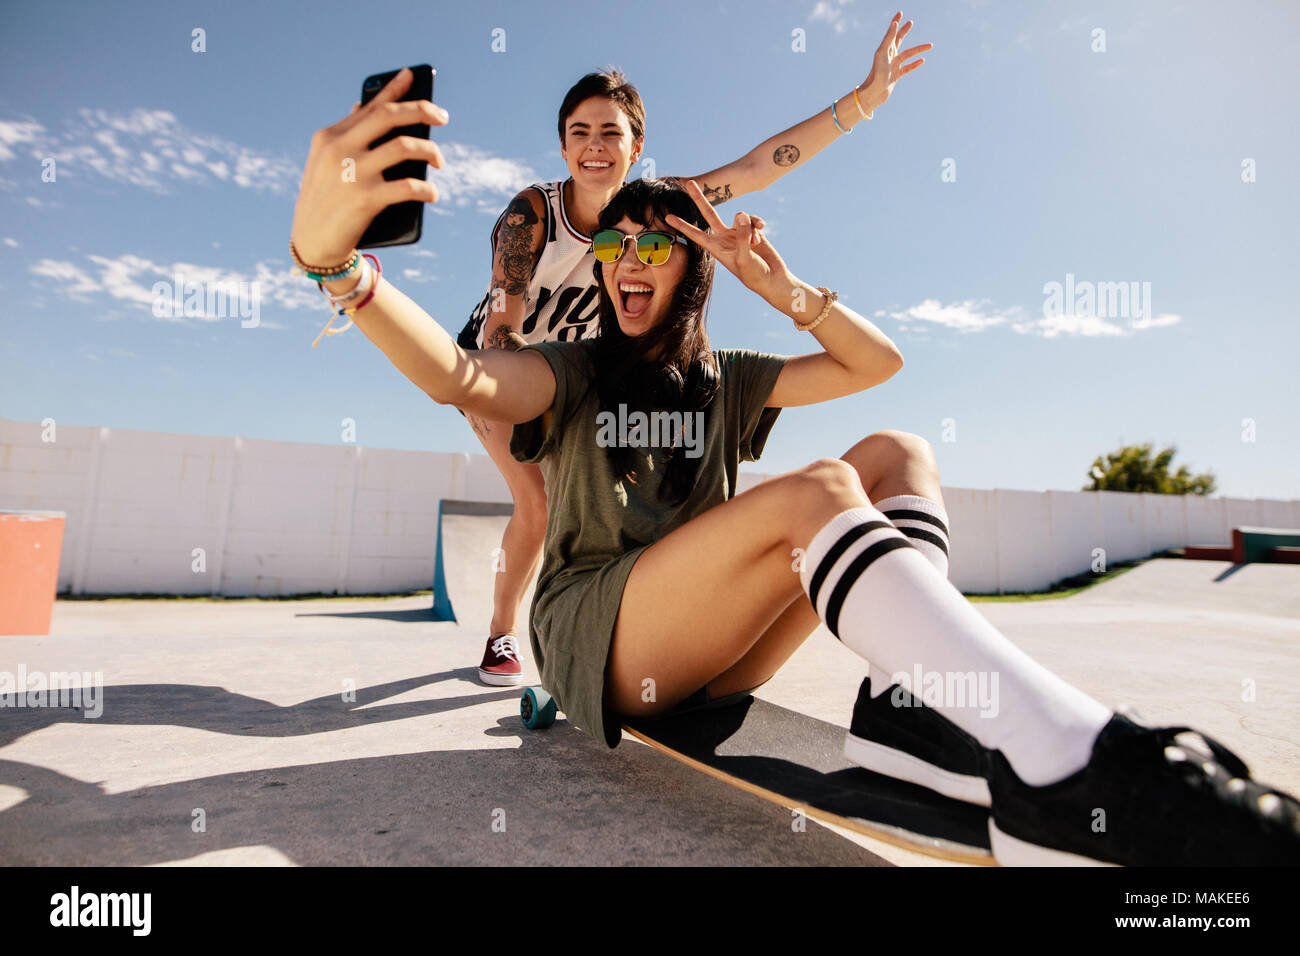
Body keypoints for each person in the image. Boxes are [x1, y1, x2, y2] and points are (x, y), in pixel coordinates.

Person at [289, 70, 1300, 866]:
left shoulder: (729, 376)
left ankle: (909, 706)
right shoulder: (571, 369)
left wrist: (785, 287)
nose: (630, 260)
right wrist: (340, 266)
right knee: (817, 487)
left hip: (707, 644)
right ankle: (1079, 762)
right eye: (613, 249)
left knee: (896, 449)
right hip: (600, 636)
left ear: (689, 265)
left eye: (654, 244)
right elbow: (460, 375)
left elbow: (879, 365)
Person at [454, 13, 932, 686]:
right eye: (579, 134)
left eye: (610, 134)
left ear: (636, 144)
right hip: (506, 364)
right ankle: (503, 636)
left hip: (586, 372)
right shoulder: (532, 213)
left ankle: (656, 623)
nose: (594, 147)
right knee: (538, 501)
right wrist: (492, 387)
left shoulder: (661, 208)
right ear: (562, 147)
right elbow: (503, 310)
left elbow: (758, 167)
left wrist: (863, 101)